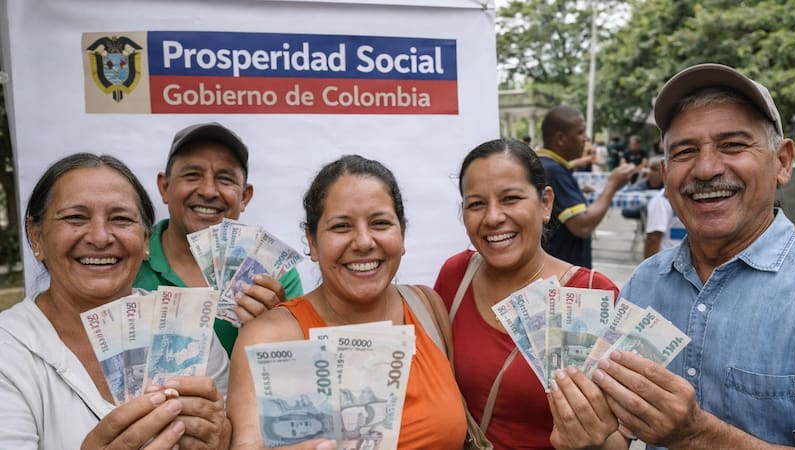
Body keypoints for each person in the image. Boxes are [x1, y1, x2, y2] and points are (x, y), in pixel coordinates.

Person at [591, 63, 795, 448]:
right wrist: (591, 435)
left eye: (733, 145)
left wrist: (698, 435)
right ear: (667, 175)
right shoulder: (645, 283)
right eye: (686, 152)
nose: (705, 169)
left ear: (782, 162)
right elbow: (619, 432)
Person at [227, 155, 466, 449]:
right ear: (312, 242)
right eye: (341, 227)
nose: (364, 242)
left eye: (380, 223)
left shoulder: (427, 305)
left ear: (402, 234)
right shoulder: (268, 338)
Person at [0, 153, 230, 449]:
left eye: (121, 219)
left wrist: (219, 438)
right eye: (75, 218)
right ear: (36, 237)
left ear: (146, 240)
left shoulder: (186, 330)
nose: (100, 237)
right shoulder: (9, 349)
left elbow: (225, 434)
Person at [435, 138, 628, 450]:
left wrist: (590, 441)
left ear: (546, 203)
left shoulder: (592, 294)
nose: (493, 217)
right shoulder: (455, 276)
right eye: (476, 204)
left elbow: (619, 439)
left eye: (510, 198)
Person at [134, 122, 303, 357]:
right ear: (164, 187)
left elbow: (291, 372)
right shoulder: (128, 259)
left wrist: (276, 326)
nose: (209, 191)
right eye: (192, 175)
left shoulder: (273, 273)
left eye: (225, 179)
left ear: (244, 197)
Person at [536, 106, 635, 268]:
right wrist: (612, 185)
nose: (586, 139)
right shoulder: (554, 171)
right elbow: (582, 225)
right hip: (563, 274)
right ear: (560, 139)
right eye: (580, 133)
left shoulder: (544, 164)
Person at [643, 188, 685, 258]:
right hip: (669, 259)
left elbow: (653, 238)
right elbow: (653, 238)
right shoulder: (661, 200)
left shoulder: (661, 200)